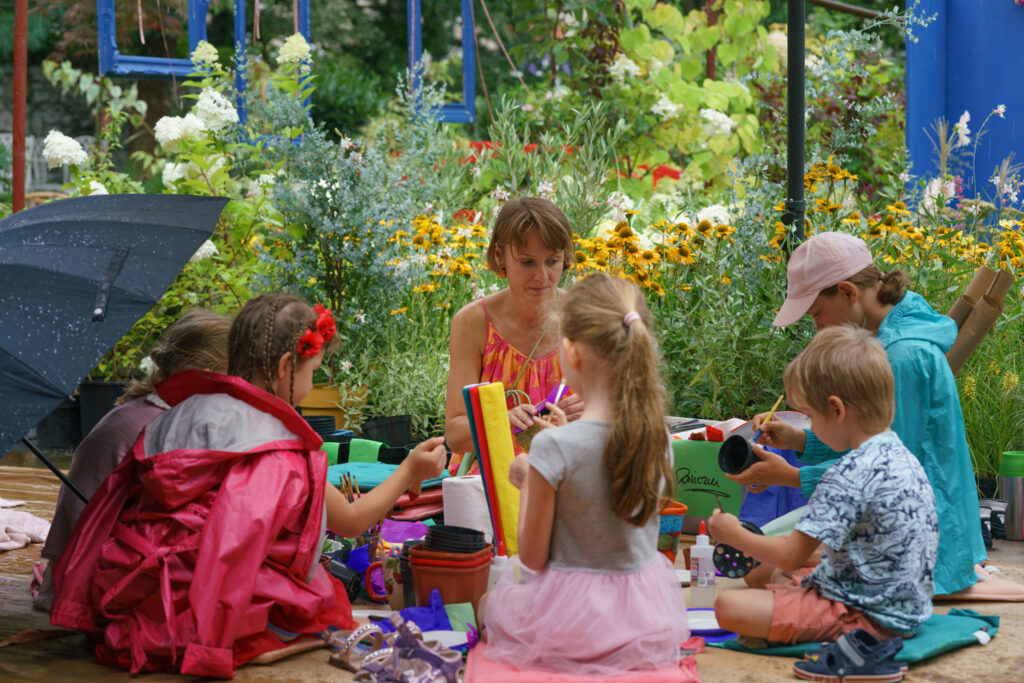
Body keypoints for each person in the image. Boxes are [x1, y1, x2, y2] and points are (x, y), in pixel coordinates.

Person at [50, 294, 447, 678]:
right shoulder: (280, 443)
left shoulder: (176, 413)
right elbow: (350, 522)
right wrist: (410, 469)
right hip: (209, 607)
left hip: (138, 590)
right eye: (313, 373)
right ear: (285, 366)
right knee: (323, 596)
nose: (312, 385)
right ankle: (260, 645)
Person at [731, 231, 984, 596]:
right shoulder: (891, 333)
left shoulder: (901, 357)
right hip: (898, 527)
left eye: (817, 313)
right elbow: (870, 437)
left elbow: (885, 473)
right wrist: (801, 439)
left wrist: (790, 476)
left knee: (757, 565)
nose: (817, 327)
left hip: (923, 549)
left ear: (849, 292)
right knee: (760, 555)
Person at [480, 273, 689, 676]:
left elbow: (534, 558)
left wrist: (527, 484)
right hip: (641, 620)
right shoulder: (656, 435)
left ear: (572, 353)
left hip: (569, 623)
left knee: (488, 606)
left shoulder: (553, 448)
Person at [710, 325, 938, 646]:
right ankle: (790, 601)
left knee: (728, 606)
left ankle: (793, 623)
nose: (810, 427)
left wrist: (733, 535)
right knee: (759, 572)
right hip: (905, 605)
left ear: (836, 409)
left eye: (810, 417)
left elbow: (790, 557)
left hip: (866, 616)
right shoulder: (906, 459)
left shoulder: (845, 474)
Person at [35, 309, 231, 611]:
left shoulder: (146, 409)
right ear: (204, 374)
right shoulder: (161, 428)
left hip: (79, 557)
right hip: (95, 573)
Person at [445, 197, 584, 473]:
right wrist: (500, 420)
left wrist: (592, 410)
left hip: (569, 477)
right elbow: (455, 433)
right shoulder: (474, 322)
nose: (542, 276)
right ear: (499, 256)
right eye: (527, 262)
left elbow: (623, 416)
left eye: (553, 261)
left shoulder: (583, 316)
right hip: (492, 489)